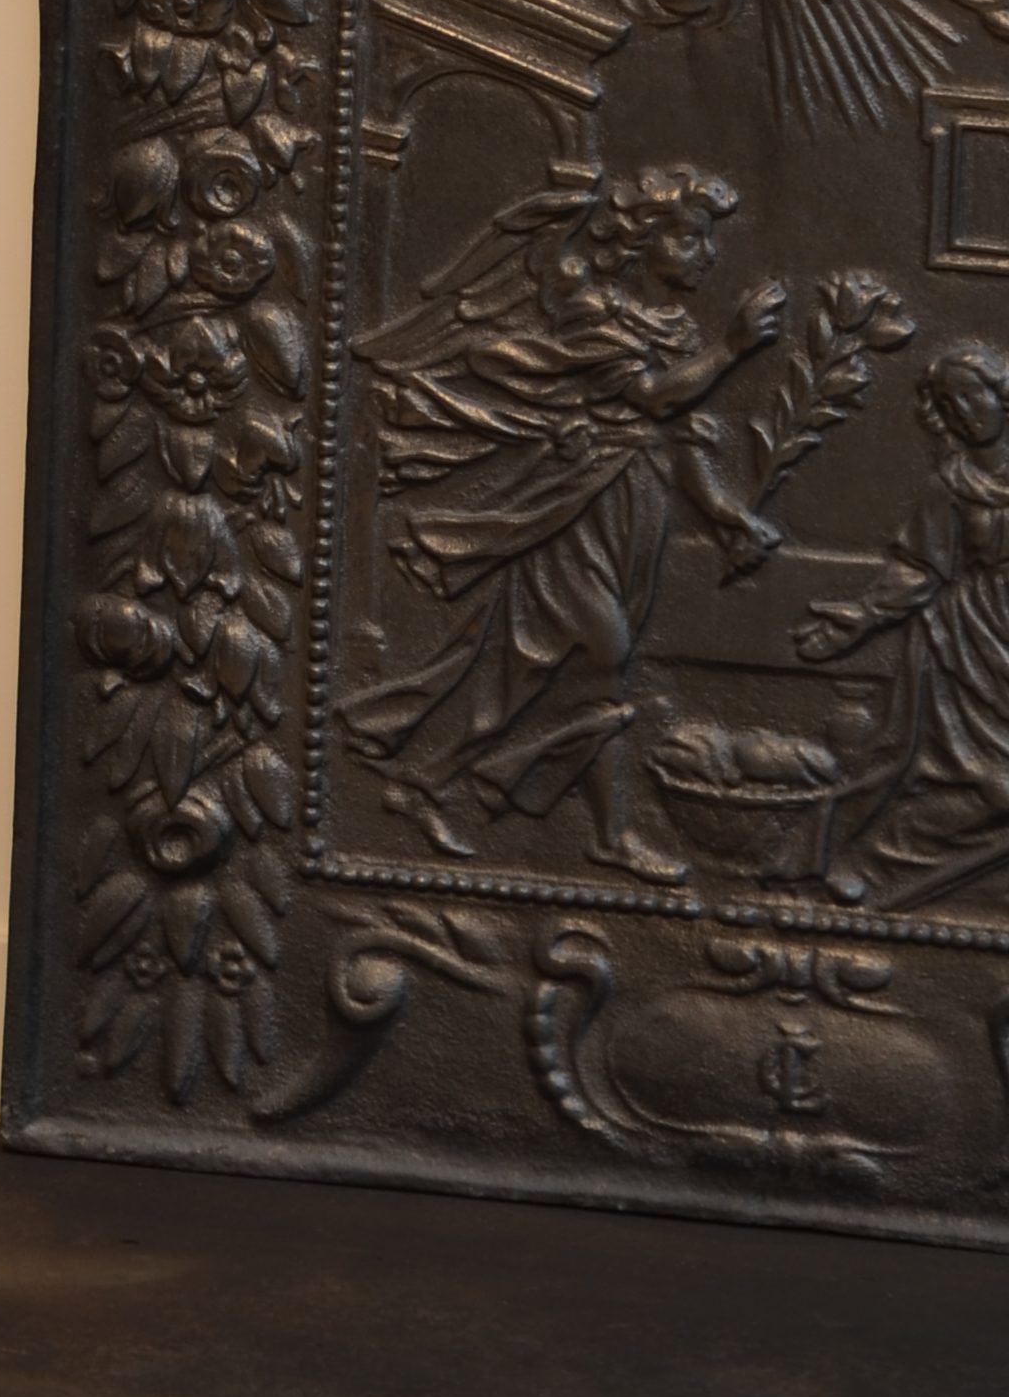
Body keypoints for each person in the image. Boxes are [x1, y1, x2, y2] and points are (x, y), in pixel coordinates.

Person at [341, 165, 787, 879]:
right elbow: (652, 398)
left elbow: (680, 437)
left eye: (708, 240)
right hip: (570, 512)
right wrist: (732, 349)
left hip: (636, 513)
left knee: (564, 674)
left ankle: (455, 789)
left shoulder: (678, 330)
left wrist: (725, 515)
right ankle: (475, 790)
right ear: (640, 243)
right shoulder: (594, 314)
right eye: (689, 238)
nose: (707, 255)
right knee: (597, 655)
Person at [799, 339, 1009, 903]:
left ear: (1001, 394)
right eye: (949, 401)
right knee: (971, 781)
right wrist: (861, 615)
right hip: (970, 645)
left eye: (973, 394)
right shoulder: (951, 487)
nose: (964, 410)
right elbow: (919, 568)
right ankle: (871, 864)